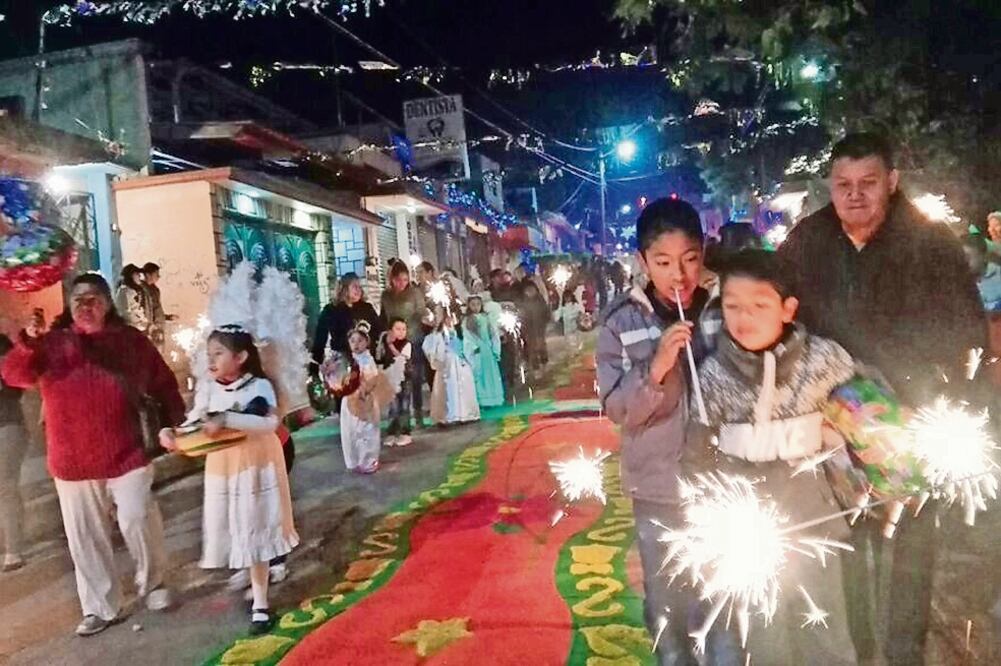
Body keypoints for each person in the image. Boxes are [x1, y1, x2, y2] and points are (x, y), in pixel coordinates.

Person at [778, 132, 986, 666]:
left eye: (867, 183)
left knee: (911, 547)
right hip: (831, 428)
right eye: (843, 184)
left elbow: (965, 330)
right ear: (829, 186)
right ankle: (856, 652)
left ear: (891, 181)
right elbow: (775, 315)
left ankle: (903, 653)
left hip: (912, 420)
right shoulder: (806, 242)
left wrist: (945, 398)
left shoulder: (930, 243)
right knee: (842, 546)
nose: (854, 195)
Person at [687, 250, 857, 665]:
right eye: (732, 306)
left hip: (814, 519)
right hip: (747, 532)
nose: (744, 317)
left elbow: (867, 417)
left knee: (825, 631)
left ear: (788, 308)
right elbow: (698, 454)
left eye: (759, 305)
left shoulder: (825, 360)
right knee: (764, 639)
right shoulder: (712, 376)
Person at [1, 273, 184, 636]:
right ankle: (101, 607)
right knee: (85, 537)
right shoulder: (50, 343)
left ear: (107, 303)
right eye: (78, 300)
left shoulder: (129, 341)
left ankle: (154, 583)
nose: (86, 306)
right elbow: (15, 376)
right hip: (72, 460)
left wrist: (171, 423)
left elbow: (163, 383)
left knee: (137, 517)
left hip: (127, 452)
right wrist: (28, 342)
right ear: (68, 307)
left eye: (93, 299)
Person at [596, 197, 735, 666]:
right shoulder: (621, 322)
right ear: (642, 261)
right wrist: (655, 370)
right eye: (663, 262)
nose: (679, 275)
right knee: (667, 599)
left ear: (703, 254)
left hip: (722, 479)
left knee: (722, 597)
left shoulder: (725, 308)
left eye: (689, 259)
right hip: (658, 487)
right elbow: (617, 407)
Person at [161, 325, 298, 635]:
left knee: (255, 528)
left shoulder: (259, 386)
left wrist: (226, 419)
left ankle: (260, 604)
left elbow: (268, 422)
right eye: (209, 354)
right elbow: (195, 420)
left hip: (255, 465)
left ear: (241, 357)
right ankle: (248, 573)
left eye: (218, 353)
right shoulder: (208, 388)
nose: (211, 360)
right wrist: (174, 434)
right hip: (224, 467)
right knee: (236, 526)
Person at [380, 261, 429, 427]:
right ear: (392, 279)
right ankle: (398, 416)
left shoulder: (414, 293)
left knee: (415, 378)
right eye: (398, 280)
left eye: (405, 280)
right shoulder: (386, 296)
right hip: (395, 343)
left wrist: (428, 319)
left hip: (413, 339)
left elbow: (422, 313)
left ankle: (418, 413)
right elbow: (383, 317)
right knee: (396, 379)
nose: (402, 283)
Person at [339, 328, 393, 473]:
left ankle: (368, 461)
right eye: (352, 341)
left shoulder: (368, 360)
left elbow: (372, 379)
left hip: (364, 400)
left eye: (360, 341)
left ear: (366, 342)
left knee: (366, 430)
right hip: (349, 400)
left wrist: (362, 388)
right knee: (350, 431)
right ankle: (354, 460)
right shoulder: (347, 361)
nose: (356, 344)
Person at [0, 332, 28, 572]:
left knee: (5, 485)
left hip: (7, 424)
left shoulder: (2, 345)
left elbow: (19, 382)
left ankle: (13, 549)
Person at [312, 273, 383, 366]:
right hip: (341, 357)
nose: (359, 290)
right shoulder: (330, 310)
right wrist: (315, 365)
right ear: (345, 289)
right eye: (355, 286)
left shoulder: (367, 308)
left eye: (360, 287)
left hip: (365, 356)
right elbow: (320, 339)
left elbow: (378, 331)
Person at [423, 313, 480, 426]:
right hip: (446, 364)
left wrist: (469, 351)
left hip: (461, 363)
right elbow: (430, 348)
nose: (450, 321)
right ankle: (446, 416)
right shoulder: (438, 334)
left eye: (452, 318)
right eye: (447, 318)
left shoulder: (461, 332)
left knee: (463, 387)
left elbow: (469, 345)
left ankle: (466, 414)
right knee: (447, 389)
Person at [376, 317, 414, 447]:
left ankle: (405, 432)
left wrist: (391, 345)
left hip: (404, 379)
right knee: (393, 407)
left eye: (404, 329)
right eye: (397, 329)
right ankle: (392, 432)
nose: (401, 332)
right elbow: (380, 359)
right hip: (390, 379)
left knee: (404, 406)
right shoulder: (383, 344)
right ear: (390, 331)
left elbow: (401, 357)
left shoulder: (407, 344)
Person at [462, 296, 505, 408]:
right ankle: (483, 400)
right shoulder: (467, 320)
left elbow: (493, 334)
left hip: (488, 350)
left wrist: (495, 349)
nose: (476, 307)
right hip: (478, 351)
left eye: (478, 304)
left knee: (491, 374)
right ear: (469, 306)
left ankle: (495, 398)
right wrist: (473, 347)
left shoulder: (486, 318)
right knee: (480, 375)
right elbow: (467, 337)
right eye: (473, 305)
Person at [962, 234, 1001, 312]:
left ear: (984, 256)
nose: (964, 262)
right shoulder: (961, 281)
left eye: (968, 257)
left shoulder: (998, 275)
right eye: (961, 257)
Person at [519, 282, 551, 373]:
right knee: (532, 350)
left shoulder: (540, 300)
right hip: (529, 330)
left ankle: (544, 363)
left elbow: (546, 312)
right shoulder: (524, 303)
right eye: (528, 290)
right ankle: (536, 368)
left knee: (541, 347)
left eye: (531, 289)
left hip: (540, 328)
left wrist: (545, 322)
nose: (530, 292)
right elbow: (522, 317)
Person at [141, 262, 174, 351]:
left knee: (159, 352)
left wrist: (167, 317)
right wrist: (149, 326)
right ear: (148, 275)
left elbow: (156, 309)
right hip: (150, 328)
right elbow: (146, 310)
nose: (158, 277)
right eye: (156, 274)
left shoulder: (155, 290)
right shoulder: (142, 290)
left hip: (159, 327)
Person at [118, 264, 151, 334]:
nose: (139, 276)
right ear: (131, 276)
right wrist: (140, 323)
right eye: (137, 274)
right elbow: (127, 312)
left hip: (139, 328)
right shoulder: (125, 292)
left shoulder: (135, 291)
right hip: (131, 330)